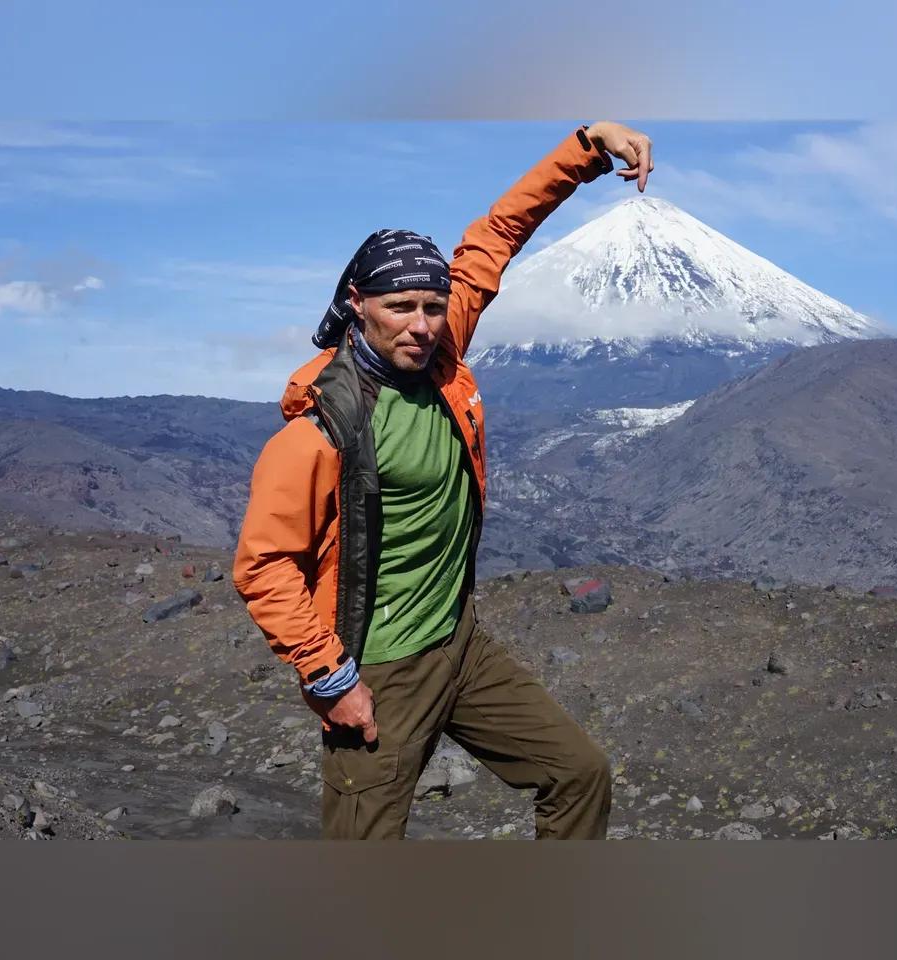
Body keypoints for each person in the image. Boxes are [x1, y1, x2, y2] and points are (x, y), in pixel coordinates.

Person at [233, 121, 654, 839]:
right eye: (401, 307)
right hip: (380, 671)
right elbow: (265, 566)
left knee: (578, 774)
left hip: (460, 643)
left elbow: (495, 235)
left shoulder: (438, 354)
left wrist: (586, 147)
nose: (422, 324)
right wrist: (331, 680)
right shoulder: (320, 429)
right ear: (358, 306)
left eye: (432, 307)